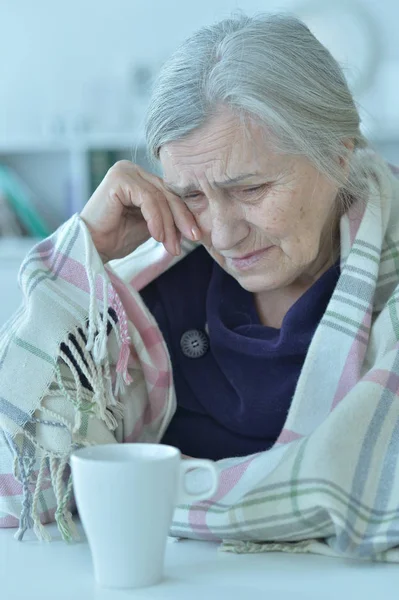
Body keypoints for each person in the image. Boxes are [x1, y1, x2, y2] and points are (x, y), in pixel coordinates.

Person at [1, 12, 399, 561]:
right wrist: (78, 257)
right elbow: (20, 482)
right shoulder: (148, 293)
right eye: (190, 196)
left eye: (251, 189)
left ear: (338, 153)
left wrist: (163, 497)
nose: (221, 232)